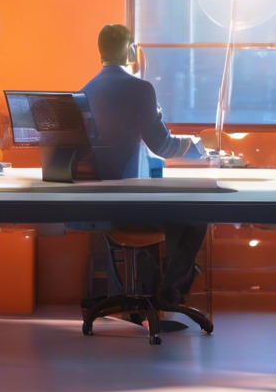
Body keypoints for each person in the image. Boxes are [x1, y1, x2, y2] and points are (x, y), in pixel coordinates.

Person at [80, 24, 207, 308]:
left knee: (173, 220)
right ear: (131, 50)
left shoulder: (85, 90)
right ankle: (169, 294)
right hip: (131, 202)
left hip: (98, 203)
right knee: (197, 218)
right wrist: (195, 148)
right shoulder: (141, 89)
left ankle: (149, 291)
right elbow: (161, 146)